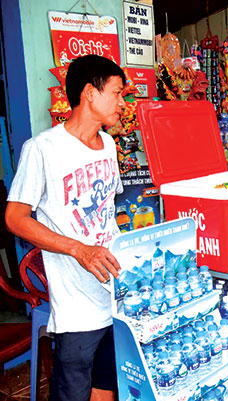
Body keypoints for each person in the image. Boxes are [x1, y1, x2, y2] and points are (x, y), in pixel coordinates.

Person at [5, 54, 125, 401]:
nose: (122, 102)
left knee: (106, 386)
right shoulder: (43, 149)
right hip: (75, 305)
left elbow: (106, 214)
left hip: (113, 294)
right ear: (90, 93)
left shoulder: (109, 147)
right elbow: (15, 218)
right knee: (72, 392)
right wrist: (77, 249)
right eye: (117, 93)